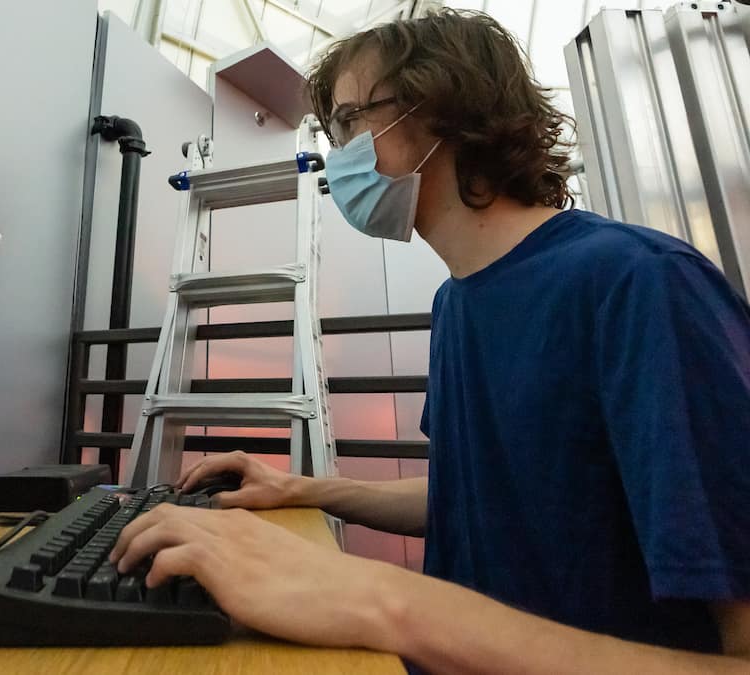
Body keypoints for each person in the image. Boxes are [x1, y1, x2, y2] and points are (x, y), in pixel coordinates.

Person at [109, 9, 750, 673]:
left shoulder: (640, 283)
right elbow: (468, 494)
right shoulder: (457, 301)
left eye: (354, 120)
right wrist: (300, 489)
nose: (339, 153)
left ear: (442, 108)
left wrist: (382, 598)